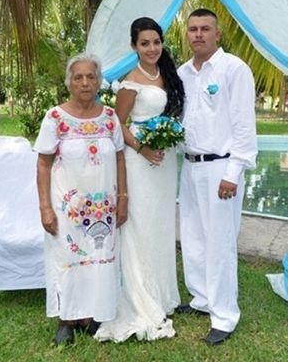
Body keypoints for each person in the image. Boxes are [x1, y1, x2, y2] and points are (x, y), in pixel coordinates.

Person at [95, 17, 185, 342]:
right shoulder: (130, 82)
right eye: (144, 43)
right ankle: (140, 296)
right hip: (140, 161)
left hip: (164, 162)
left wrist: (164, 141)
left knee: (161, 225)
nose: (152, 48)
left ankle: (162, 295)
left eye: (156, 42)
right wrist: (143, 149)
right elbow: (117, 124)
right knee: (141, 225)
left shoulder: (167, 75)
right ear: (134, 46)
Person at [175, 8, 257, 345]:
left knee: (220, 242)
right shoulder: (181, 73)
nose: (198, 34)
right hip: (190, 165)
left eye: (205, 28)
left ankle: (224, 315)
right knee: (192, 235)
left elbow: (243, 125)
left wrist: (233, 172)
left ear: (217, 34)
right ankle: (202, 299)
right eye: (193, 29)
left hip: (220, 168)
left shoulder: (233, 69)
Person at [34, 53, 127, 346]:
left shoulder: (110, 117)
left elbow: (121, 158)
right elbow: (43, 164)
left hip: (104, 207)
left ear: (99, 81)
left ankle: (90, 316)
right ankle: (66, 319)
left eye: (91, 77)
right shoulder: (55, 118)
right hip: (67, 208)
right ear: (69, 82)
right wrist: (45, 207)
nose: (85, 83)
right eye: (78, 77)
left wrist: (123, 198)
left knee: (99, 258)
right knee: (68, 258)